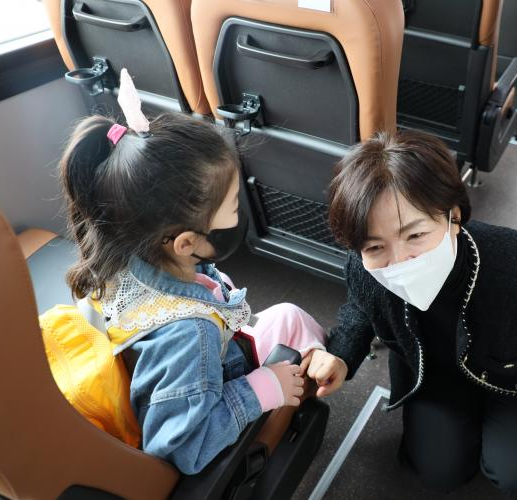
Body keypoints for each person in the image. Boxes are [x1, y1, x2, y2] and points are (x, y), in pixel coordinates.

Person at [301, 130, 517, 499]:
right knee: (438, 473)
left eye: (415, 236)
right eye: (375, 246)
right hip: (435, 380)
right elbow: (360, 308)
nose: (399, 261)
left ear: (453, 216)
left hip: (515, 384)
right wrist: (341, 355)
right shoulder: (363, 267)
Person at [58, 73, 327, 474]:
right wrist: (261, 389)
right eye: (233, 205)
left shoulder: (124, 254)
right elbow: (182, 448)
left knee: (289, 317)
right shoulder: (190, 336)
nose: (239, 211)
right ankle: (294, 410)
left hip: (203, 368)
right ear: (185, 243)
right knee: (293, 327)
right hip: (216, 411)